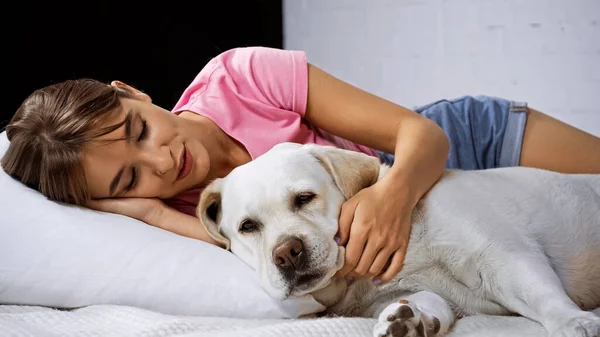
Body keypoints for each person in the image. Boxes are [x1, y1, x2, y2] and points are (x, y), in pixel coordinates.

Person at [2, 47, 599, 286]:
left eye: (138, 130)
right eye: (129, 178)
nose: (161, 161)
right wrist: (150, 211)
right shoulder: (191, 210)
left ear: (131, 91)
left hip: (459, 146)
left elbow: (420, 133)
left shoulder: (239, 76)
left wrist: (390, 196)